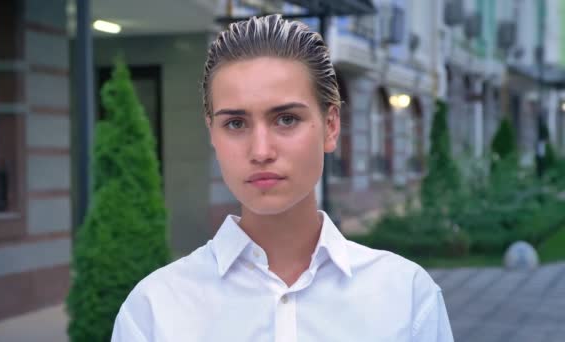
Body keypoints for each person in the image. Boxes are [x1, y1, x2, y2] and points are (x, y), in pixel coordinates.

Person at [111, 14, 454, 342]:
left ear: (331, 126)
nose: (261, 150)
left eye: (286, 119)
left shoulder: (406, 297)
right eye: (236, 124)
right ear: (212, 134)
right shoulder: (154, 310)